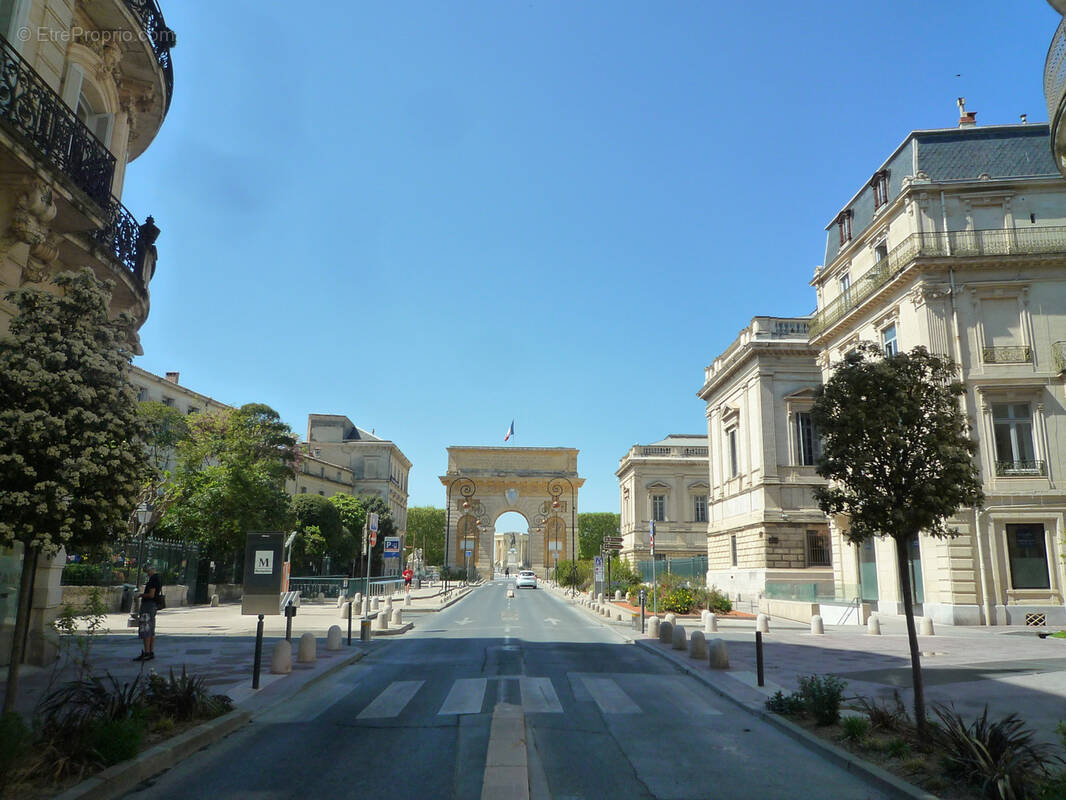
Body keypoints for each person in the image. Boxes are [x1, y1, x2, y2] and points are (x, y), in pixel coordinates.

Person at [134, 564, 162, 661]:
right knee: (151, 629)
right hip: (152, 606)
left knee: (146, 628)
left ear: (150, 570)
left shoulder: (153, 579)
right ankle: (150, 651)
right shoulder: (157, 578)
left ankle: (147, 652)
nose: (147, 574)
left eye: (147, 572)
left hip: (148, 606)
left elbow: (151, 594)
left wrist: (140, 595)